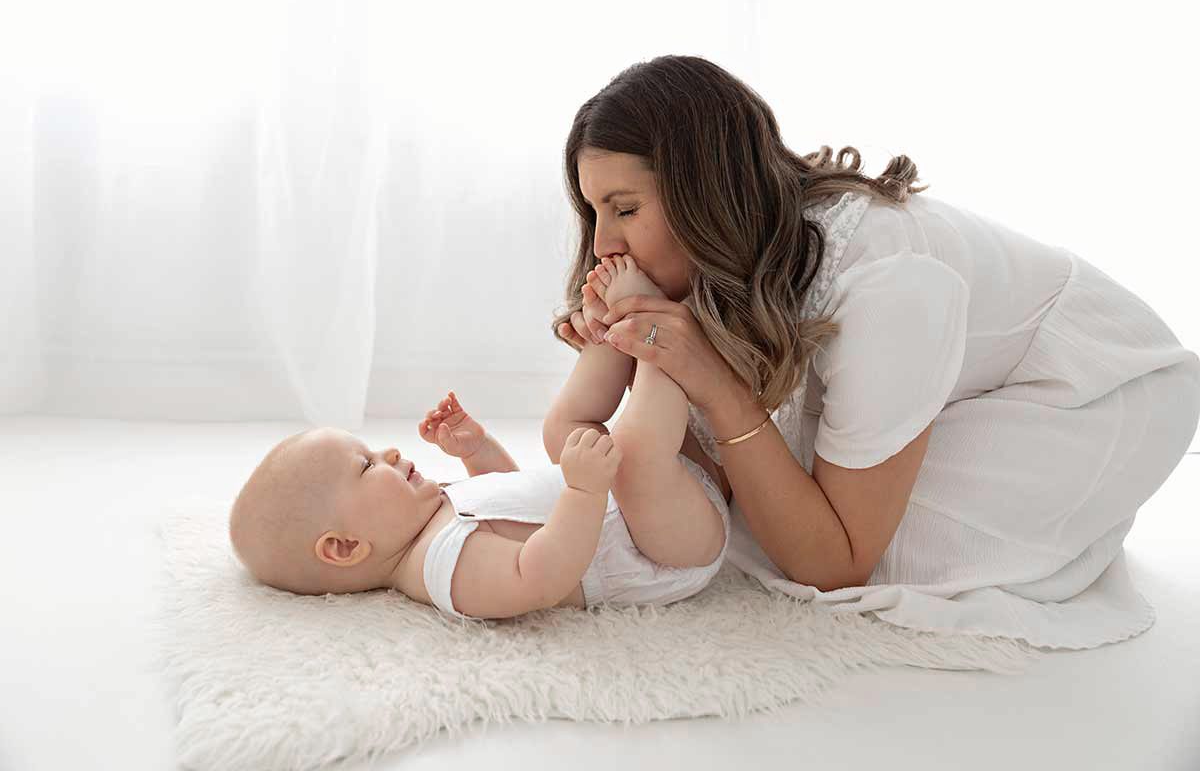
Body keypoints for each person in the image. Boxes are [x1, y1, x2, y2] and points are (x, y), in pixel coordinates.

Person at [552, 54, 1200, 649]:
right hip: (961, 355)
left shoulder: (887, 279)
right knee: (763, 500)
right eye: (594, 212)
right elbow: (699, 475)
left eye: (625, 209)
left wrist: (714, 383)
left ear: (707, 193)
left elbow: (836, 564)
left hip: (1094, 386)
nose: (604, 242)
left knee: (862, 554)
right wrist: (645, 351)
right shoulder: (733, 259)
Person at [228, 256, 731, 620]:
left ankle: (610, 337)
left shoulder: (428, 519)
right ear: (344, 547)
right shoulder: (441, 569)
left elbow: (514, 506)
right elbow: (539, 576)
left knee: (561, 431)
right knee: (635, 454)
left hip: (648, 505)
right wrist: (582, 491)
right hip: (668, 550)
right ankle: (656, 335)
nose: (389, 451)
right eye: (365, 465)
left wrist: (476, 451)